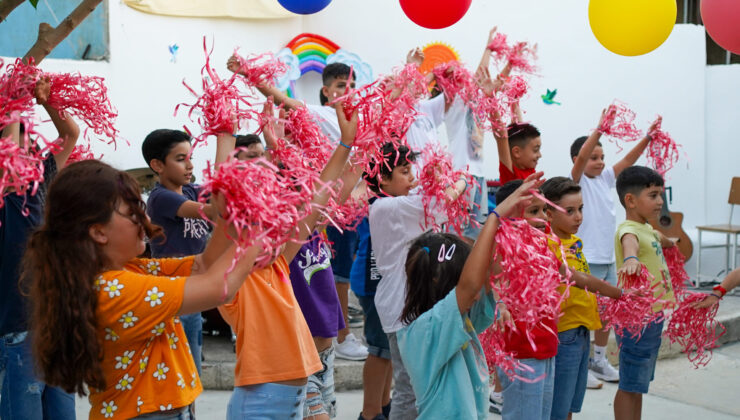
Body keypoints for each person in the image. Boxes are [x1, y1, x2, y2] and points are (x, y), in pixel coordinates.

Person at [21, 159, 262, 419]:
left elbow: (204, 265)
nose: (145, 219)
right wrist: (258, 227)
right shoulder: (113, 288)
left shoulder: (130, 270)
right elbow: (219, 287)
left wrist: (234, 215)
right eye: (133, 212)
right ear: (99, 232)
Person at [217, 103, 358, 419]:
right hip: (262, 400)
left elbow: (320, 195)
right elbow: (224, 205)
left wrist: (348, 144)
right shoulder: (232, 275)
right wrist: (229, 138)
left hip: (300, 379)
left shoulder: (277, 260)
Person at [397, 175, 542, 420]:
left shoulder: (462, 318)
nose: (475, 291)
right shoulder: (424, 330)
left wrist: (510, 222)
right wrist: (494, 218)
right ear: (443, 281)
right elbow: (472, 285)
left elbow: (487, 274)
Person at [367, 142, 468, 419]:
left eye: (411, 170)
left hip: (409, 303)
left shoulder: (394, 204)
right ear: (382, 179)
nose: (412, 177)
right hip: (404, 305)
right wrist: (460, 179)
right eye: (404, 171)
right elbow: (446, 199)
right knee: (409, 389)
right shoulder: (390, 207)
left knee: (415, 387)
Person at [0, 77, 80, 420]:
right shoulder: (8, 192)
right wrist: (14, 103)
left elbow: (70, 134)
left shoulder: (42, 183)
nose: (31, 149)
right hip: (18, 329)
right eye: (23, 142)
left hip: (55, 329)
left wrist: (47, 101)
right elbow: (11, 155)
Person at [570, 113, 659, 386]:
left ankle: (598, 358)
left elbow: (628, 161)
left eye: (602, 157)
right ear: (579, 160)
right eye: (593, 157)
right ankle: (580, 364)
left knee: (607, 314)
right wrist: (599, 129)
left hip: (608, 258)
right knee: (585, 313)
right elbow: (584, 156)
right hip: (587, 260)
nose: (600, 162)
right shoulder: (577, 181)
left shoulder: (606, 179)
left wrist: (647, 137)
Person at [540, 177, 630, 420]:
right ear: (548, 213)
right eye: (569, 211)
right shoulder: (548, 245)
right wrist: (618, 293)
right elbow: (581, 279)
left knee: (570, 401)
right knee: (558, 404)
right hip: (563, 332)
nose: (578, 216)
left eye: (580, 209)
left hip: (581, 331)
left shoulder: (576, 243)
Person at [142, 129, 223, 377]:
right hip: (174, 292)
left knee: (192, 368)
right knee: (182, 369)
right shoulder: (160, 198)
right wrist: (224, 139)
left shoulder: (189, 190)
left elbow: (220, 190)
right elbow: (214, 210)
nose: (189, 165)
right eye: (180, 159)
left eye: (190, 158)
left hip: (193, 289)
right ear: (157, 165)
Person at [491, 179, 558, 420]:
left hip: (546, 347)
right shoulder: (500, 246)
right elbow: (495, 280)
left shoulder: (543, 244)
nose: (543, 218)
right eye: (534, 211)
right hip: (521, 352)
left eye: (544, 210)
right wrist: (500, 303)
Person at [613, 166, 677, 420]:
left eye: (661, 195)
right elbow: (631, 244)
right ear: (630, 200)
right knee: (630, 385)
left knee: (638, 384)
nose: (660, 201)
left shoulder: (647, 228)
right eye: (653, 195)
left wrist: (671, 242)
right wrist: (630, 259)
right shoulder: (629, 230)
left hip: (652, 318)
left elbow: (658, 236)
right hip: (637, 321)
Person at [350, 216, 392, 420]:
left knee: (389, 348)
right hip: (373, 283)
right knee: (380, 350)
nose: (411, 181)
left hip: (385, 282)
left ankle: (384, 405)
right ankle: (370, 413)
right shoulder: (379, 202)